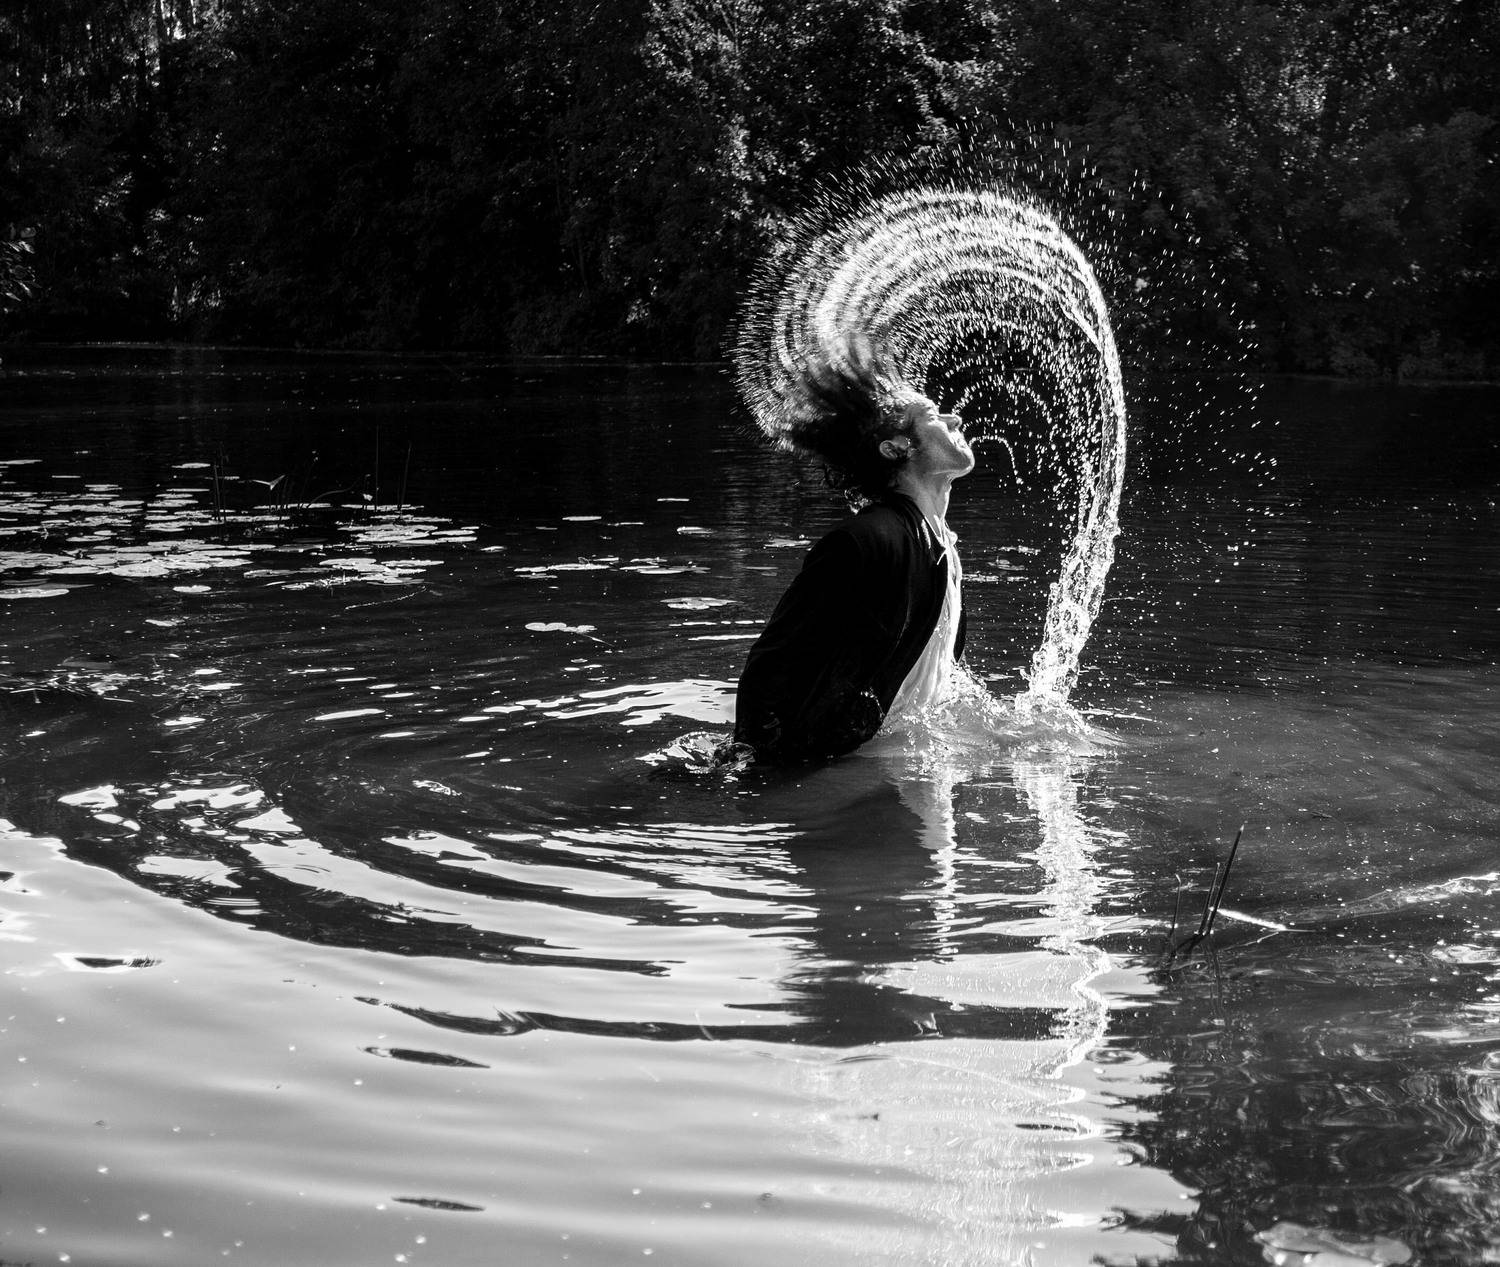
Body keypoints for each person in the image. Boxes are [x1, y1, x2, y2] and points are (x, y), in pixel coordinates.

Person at [733, 342, 975, 765]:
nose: (955, 419)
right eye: (934, 416)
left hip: (901, 776)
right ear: (896, 448)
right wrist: (768, 781)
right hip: (837, 781)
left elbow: (938, 684)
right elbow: (767, 673)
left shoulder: (943, 548)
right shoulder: (865, 542)